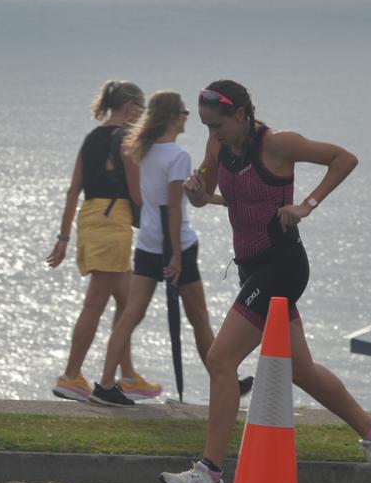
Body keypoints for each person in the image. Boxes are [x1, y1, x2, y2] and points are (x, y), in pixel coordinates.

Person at [159, 79, 371, 483]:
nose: (211, 134)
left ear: (241, 115)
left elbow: (344, 159)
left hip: (283, 267)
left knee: (221, 358)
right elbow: (201, 194)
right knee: (300, 369)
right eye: (204, 127)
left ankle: (210, 474)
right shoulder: (218, 146)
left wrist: (307, 204)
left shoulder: (278, 144)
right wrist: (195, 193)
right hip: (252, 269)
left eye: (217, 125)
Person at [88, 91, 252, 406]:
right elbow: (174, 209)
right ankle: (225, 381)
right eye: (185, 112)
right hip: (178, 245)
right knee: (199, 317)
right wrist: (176, 255)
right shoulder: (177, 156)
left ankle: (105, 383)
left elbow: (146, 198)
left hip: (148, 242)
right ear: (174, 116)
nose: (189, 117)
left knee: (130, 315)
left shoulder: (142, 150)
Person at [46, 80, 162, 402]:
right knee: (95, 303)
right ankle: (70, 376)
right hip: (114, 221)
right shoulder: (126, 140)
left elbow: (73, 190)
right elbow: (138, 194)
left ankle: (127, 376)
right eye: (141, 110)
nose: (142, 117)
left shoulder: (91, 139)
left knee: (127, 303)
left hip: (91, 217)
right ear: (130, 108)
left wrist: (64, 237)